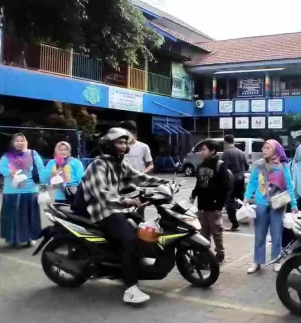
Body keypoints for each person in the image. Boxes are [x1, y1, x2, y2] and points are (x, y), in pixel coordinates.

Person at [78, 128, 171, 304]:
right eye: (119, 143)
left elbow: (141, 178)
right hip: (103, 210)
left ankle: (127, 266)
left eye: (125, 143)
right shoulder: (98, 165)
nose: (123, 146)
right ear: (109, 145)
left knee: (144, 230)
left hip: (118, 209)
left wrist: (165, 183)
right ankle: (130, 288)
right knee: (129, 240)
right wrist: (126, 200)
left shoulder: (119, 163)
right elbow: (101, 193)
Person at [244, 140, 297, 274]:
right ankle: (257, 261)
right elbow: (252, 182)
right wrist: (247, 197)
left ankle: (277, 260)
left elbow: (290, 186)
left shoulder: (283, 166)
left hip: (278, 204)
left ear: (275, 150)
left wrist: (294, 205)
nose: (264, 150)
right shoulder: (258, 165)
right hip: (261, 203)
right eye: (264, 147)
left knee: (276, 234)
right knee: (260, 234)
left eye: (268, 147)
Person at [0, 133, 44, 248]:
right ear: (13, 143)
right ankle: (13, 238)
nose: (19, 143)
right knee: (13, 216)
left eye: (22, 140)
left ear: (26, 142)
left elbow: (40, 168)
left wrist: (44, 182)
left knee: (30, 216)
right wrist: (10, 173)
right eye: (17, 141)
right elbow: (1, 168)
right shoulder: (7, 156)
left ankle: (31, 238)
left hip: (30, 190)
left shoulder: (33, 154)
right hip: (11, 190)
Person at [190, 139, 230, 264]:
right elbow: (199, 183)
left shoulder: (220, 164)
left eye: (204, 149)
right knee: (203, 232)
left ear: (212, 151)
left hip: (214, 205)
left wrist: (221, 204)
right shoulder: (201, 164)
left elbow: (226, 186)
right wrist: (193, 196)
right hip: (202, 204)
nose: (201, 152)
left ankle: (220, 253)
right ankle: (204, 255)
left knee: (216, 231)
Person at [222, 134, 249, 231]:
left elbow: (223, 168)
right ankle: (246, 215)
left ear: (225, 142)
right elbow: (246, 166)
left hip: (231, 179)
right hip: (241, 178)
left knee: (230, 200)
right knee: (242, 198)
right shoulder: (241, 152)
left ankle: (235, 224)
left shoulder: (226, 153)